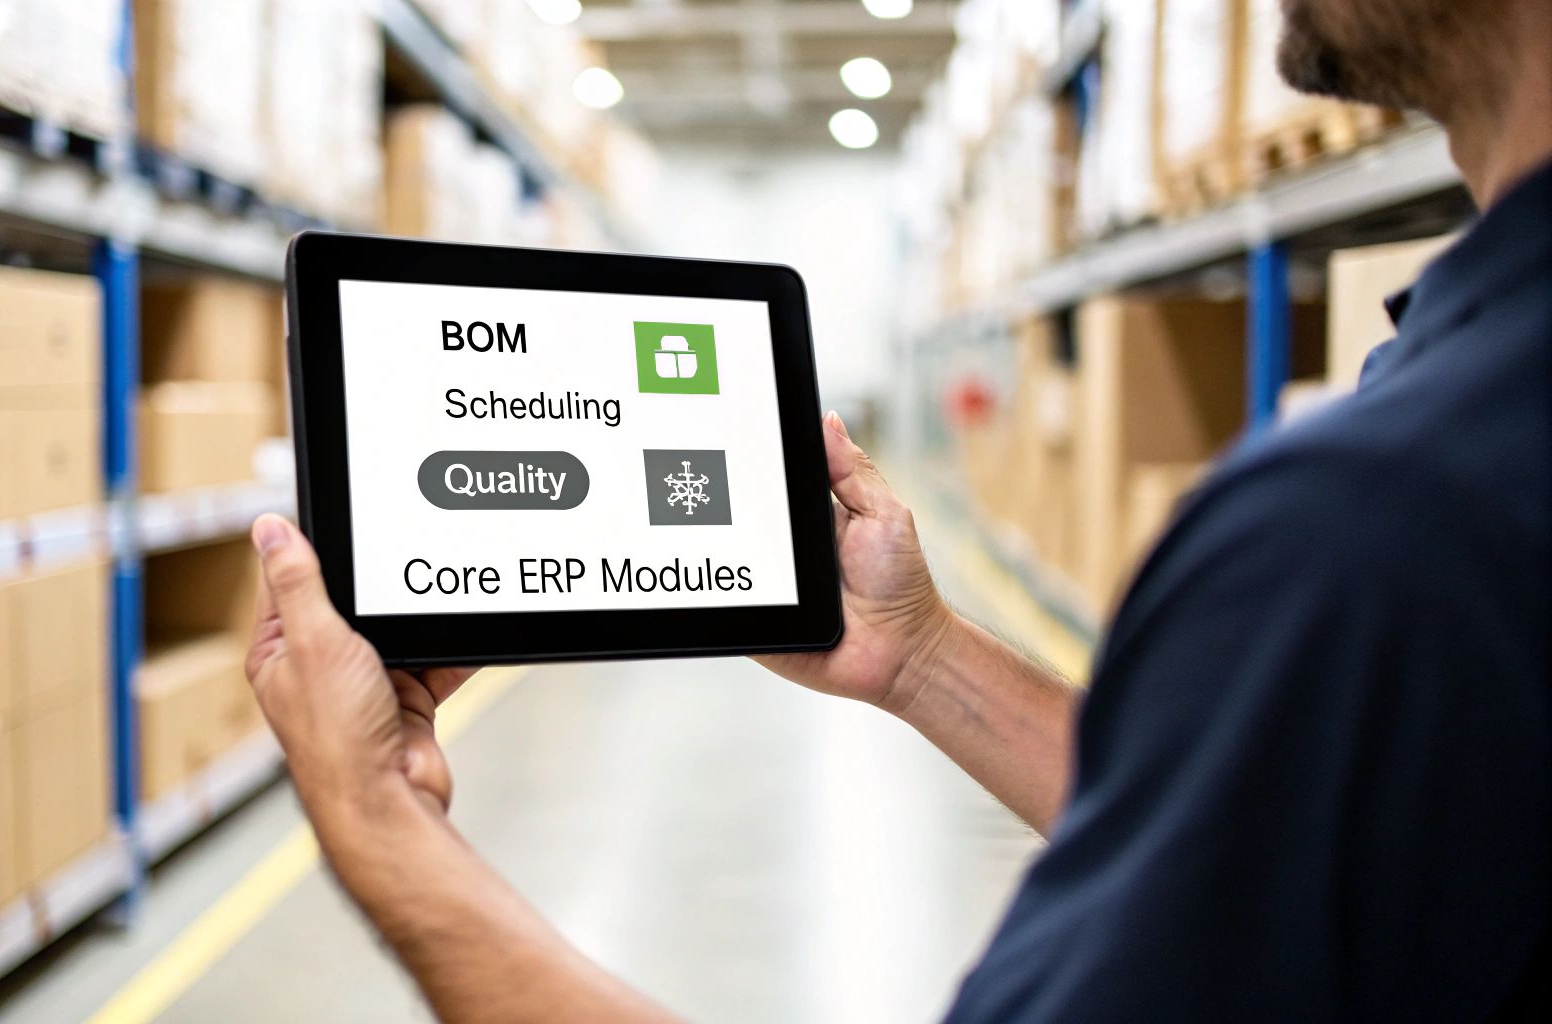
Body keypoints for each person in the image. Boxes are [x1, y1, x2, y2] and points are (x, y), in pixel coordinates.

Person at [241, 0, 1550, 1017]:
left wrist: (378, 827)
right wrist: (918, 656)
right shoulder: (1462, 412)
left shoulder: (1387, 529)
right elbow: (1265, 833)